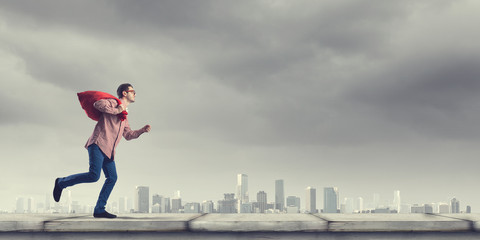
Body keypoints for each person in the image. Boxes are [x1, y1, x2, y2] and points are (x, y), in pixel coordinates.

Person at [53, 83, 151, 218]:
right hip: (98, 144)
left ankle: (99, 209)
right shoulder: (113, 103)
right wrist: (118, 109)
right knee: (94, 175)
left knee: (112, 177)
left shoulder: (124, 118)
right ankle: (61, 182)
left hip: (109, 152)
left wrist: (142, 131)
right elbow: (98, 104)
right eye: (132, 91)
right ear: (124, 93)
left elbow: (128, 135)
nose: (135, 94)